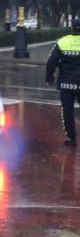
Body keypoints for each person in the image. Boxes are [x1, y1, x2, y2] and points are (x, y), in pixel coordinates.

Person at [45, 17, 80, 147]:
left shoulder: (62, 42)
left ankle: (71, 138)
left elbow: (51, 61)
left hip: (67, 83)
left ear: (71, 28)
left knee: (67, 110)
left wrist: (49, 78)